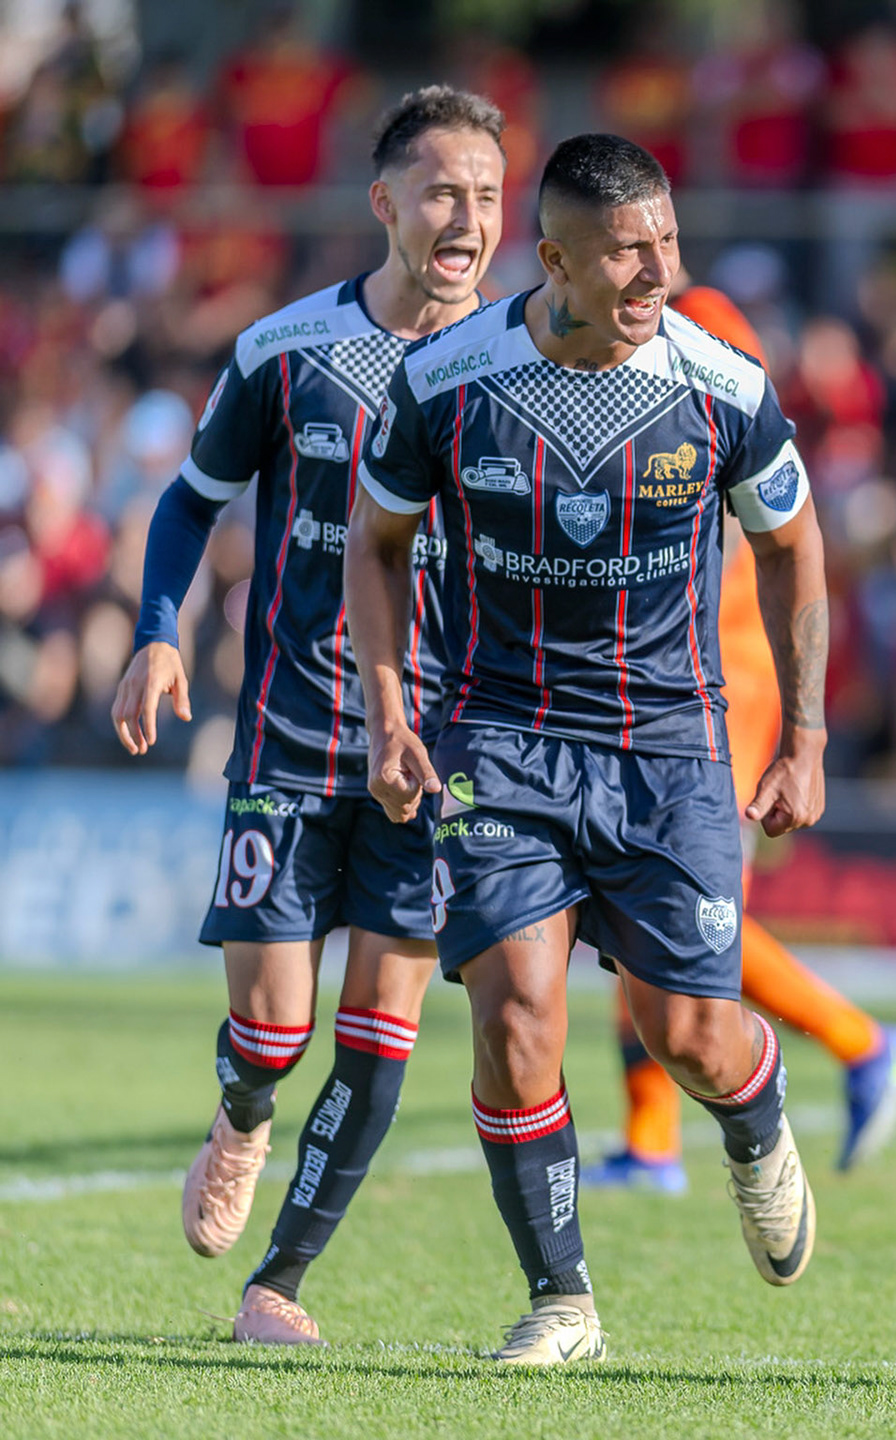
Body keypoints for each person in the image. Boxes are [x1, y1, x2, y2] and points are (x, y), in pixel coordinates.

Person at [346, 133, 828, 1367]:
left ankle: (757, 1107)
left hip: (669, 751)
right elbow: (376, 543)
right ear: (554, 258)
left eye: (667, 239)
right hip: (499, 741)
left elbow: (792, 543)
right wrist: (393, 713)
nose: (658, 268)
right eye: (629, 249)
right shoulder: (450, 380)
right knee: (518, 1023)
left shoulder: (722, 385)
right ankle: (562, 1300)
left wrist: (808, 731)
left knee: (689, 1037)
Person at [108, 87, 507, 1345]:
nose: (469, 218)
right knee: (274, 1032)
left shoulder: (518, 365)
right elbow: (188, 504)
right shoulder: (288, 351)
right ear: (385, 203)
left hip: (428, 763)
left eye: (490, 196)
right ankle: (242, 1111)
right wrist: (158, 634)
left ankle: (275, 1287)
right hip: (290, 737)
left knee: (380, 1040)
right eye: (444, 190)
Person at [585, 282, 896, 1193]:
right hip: (679, 663)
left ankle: (863, 1044)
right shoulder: (647, 324)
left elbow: (738, 438)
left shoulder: (698, 323)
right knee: (642, 905)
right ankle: (651, 1143)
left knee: (685, 911)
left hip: (719, 669)